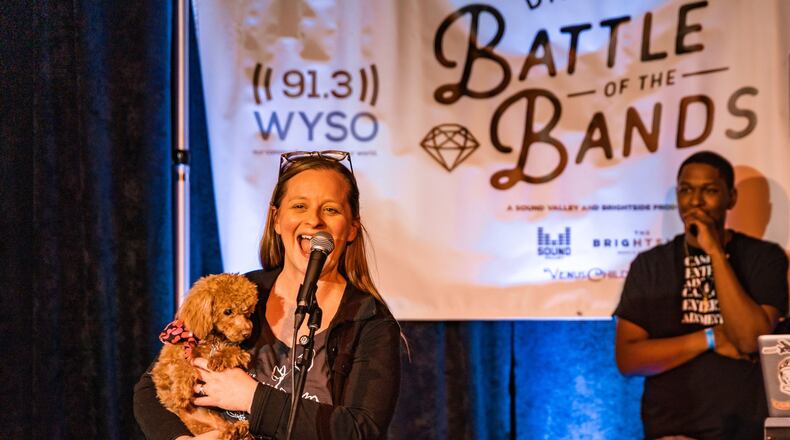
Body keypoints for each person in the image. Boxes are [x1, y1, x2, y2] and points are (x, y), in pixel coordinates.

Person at [134, 150, 401, 439]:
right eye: (299, 206)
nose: (314, 221)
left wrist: (252, 398)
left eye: (331, 210)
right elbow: (151, 388)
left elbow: (361, 431)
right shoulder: (239, 295)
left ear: (351, 229)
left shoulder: (370, 321)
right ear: (276, 219)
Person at [614, 150, 789, 439]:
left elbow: (749, 340)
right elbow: (629, 359)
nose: (695, 201)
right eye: (686, 190)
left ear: (730, 198)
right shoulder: (651, 264)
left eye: (709, 190)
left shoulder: (764, 257)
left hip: (746, 428)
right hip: (674, 431)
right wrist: (710, 338)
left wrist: (714, 252)